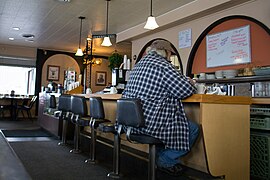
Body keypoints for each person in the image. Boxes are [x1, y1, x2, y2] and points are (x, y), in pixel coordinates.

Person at [122, 39, 199, 176]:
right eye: (170, 54)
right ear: (167, 52)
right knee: (193, 129)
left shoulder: (139, 65)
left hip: (132, 123)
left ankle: (158, 159)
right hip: (151, 123)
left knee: (167, 125)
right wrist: (191, 82)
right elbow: (185, 90)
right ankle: (165, 160)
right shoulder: (163, 65)